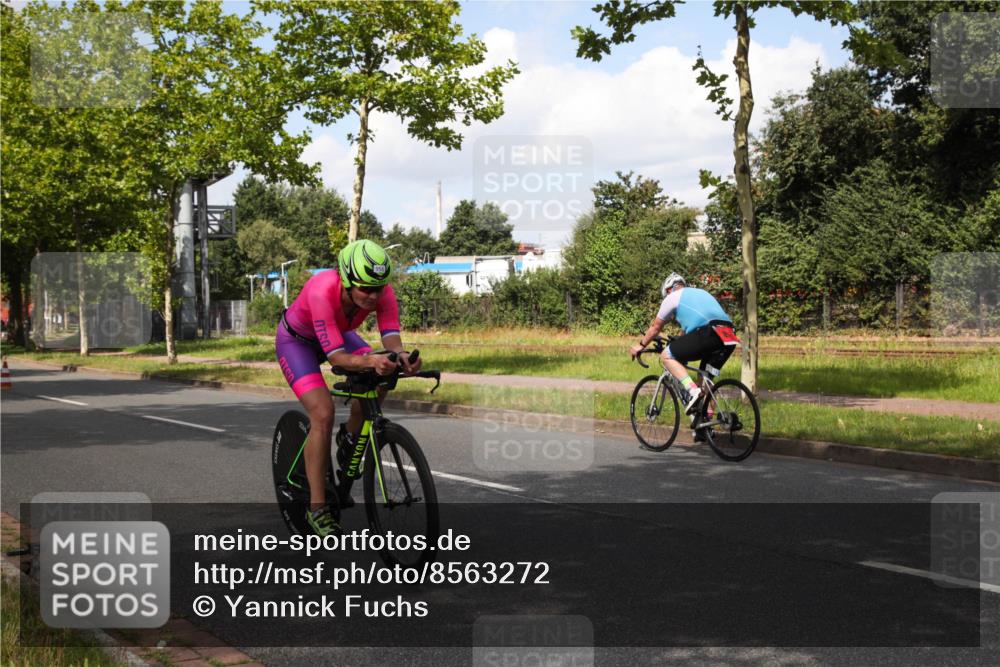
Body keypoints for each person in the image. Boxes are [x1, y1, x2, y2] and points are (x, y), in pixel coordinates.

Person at [275, 240, 421, 537]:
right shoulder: (321, 290)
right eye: (366, 289)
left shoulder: (382, 291)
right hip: (297, 343)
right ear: (346, 279)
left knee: (385, 368)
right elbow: (337, 358)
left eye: (378, 288)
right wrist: (370, 360)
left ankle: (350, 437)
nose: (374, 295)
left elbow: (391, 336)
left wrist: (401, 356)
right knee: (323, 413)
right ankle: (317, 509)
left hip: (336, 335)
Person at [630, 273, 739, 428]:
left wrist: (641, 345)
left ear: (669, 290)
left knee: (666, 356)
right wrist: (677, 342)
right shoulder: (701, 293)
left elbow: (655, 327)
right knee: (705, 378)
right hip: (729, 336)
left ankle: (692, 390)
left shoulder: (672, 297)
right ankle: (706, 425)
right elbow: (688, 334)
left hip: (708, 333)